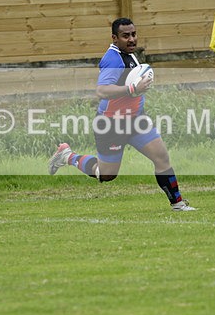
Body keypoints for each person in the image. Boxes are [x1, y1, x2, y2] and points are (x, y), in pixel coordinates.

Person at [48, 17, 196, 211]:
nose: (132, 39)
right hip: (112, 124)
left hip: (136, 120)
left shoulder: (129, 53)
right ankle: (67, 156)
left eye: (133, 34)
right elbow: (102, 91)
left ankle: (177, 203)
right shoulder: (113, 60)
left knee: (161, 157)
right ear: (114, 38)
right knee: (106, 175)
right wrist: (132, 89)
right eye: (125, 36)